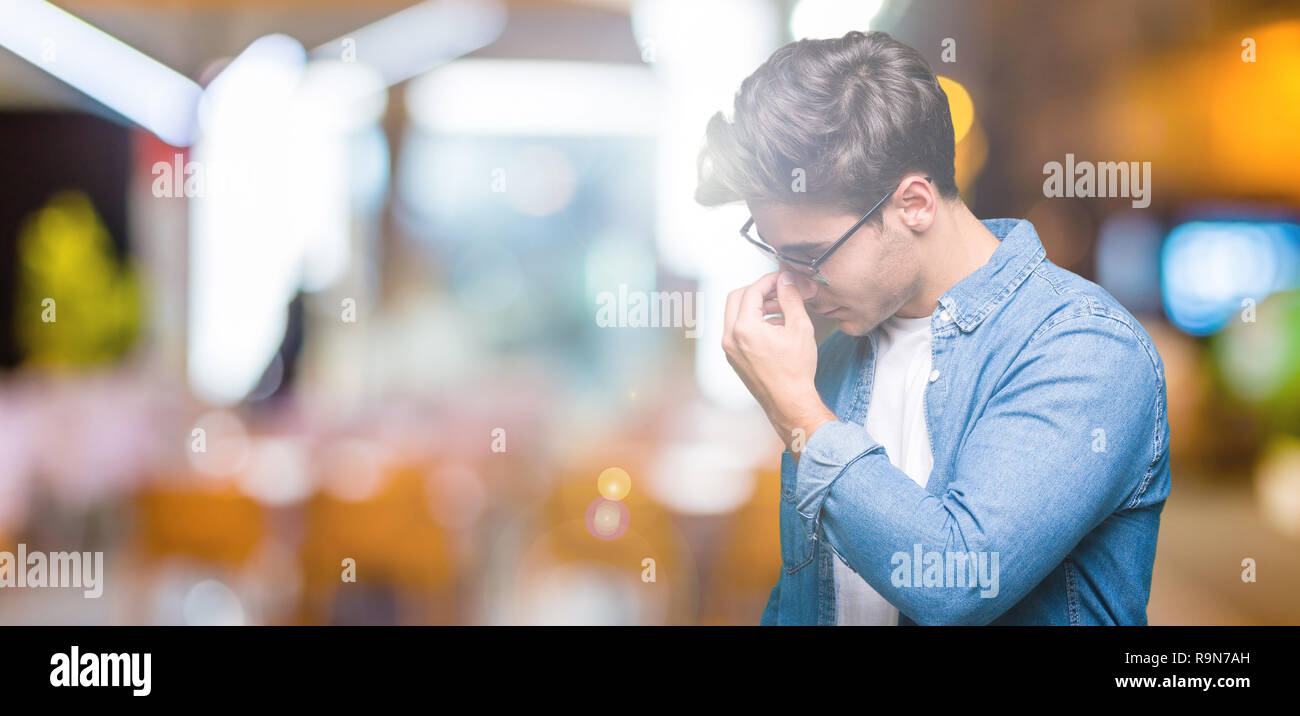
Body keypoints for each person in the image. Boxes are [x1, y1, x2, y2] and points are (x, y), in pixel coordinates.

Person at [697, 30, 1171, 625]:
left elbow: (956, 581)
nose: (792, 285)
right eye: (777, 254)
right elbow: (809, 598)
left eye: (811, 255)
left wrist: (799, 415)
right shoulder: (839, 353)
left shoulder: (1084, 347)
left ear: (915, 203)